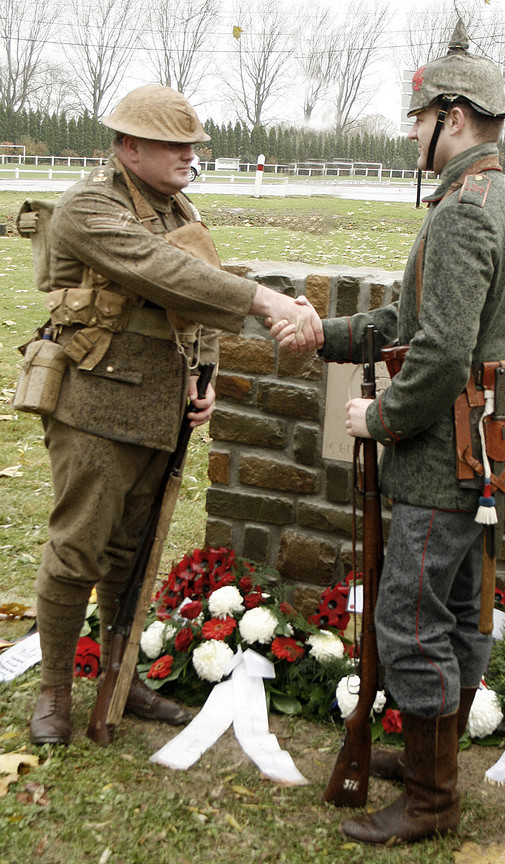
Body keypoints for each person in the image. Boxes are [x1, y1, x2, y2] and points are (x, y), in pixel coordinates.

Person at [272, 19, 505, 846]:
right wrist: (326, 337)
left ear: (452, 116)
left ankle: (430, 799)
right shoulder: (492, 200)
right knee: (453, 618)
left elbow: (443, 352)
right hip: (473, 452)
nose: (415, 135)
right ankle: (433, 767)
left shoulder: (462, 214)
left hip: (437, 459)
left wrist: (377, 417)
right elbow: (407, 322)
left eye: (419, 121)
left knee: (410, 622)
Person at [27, 83, 322, 746]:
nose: (191, 155)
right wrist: (266, 302)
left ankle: (121, 675)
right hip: (95, 408)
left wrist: (207, 376)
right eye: (174, 145)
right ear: (129, 147)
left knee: (129, 558)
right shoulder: (88, 208)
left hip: (161, 409)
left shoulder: (175, 206)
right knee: (79, 550)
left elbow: (194, 301)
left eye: (194, 145)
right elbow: (168, 275)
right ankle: (52, 692)